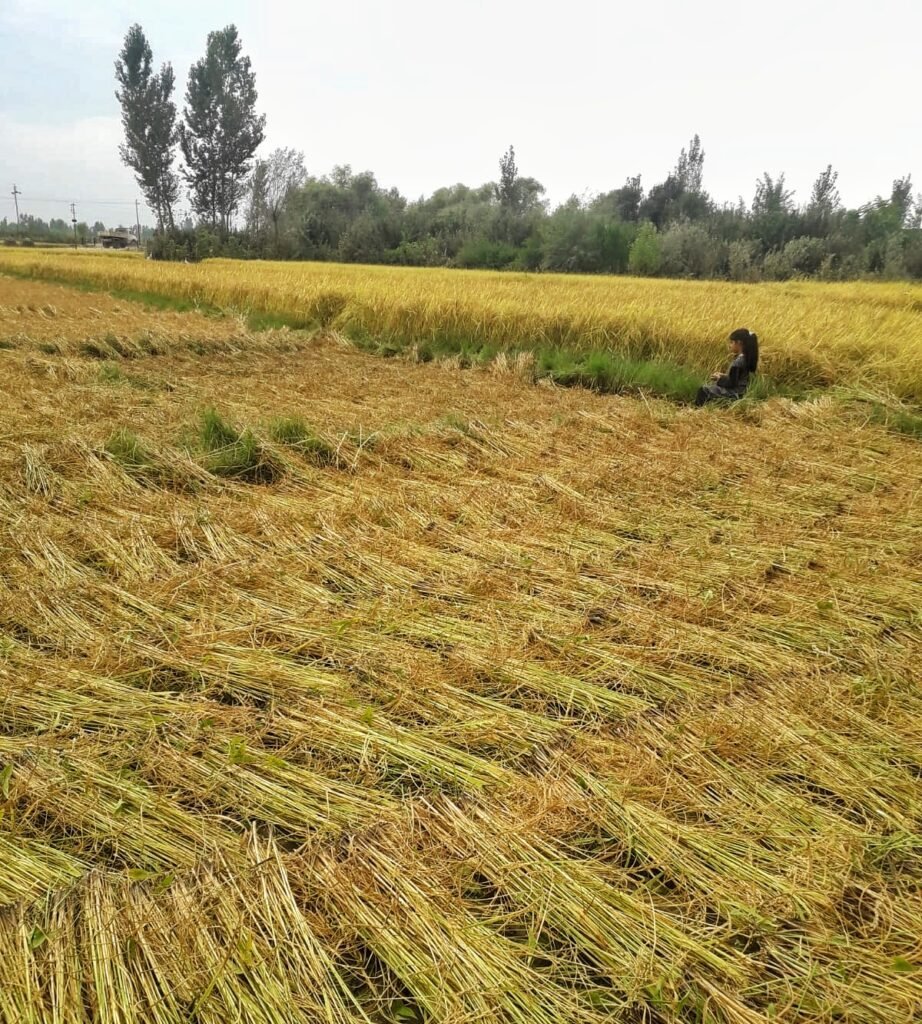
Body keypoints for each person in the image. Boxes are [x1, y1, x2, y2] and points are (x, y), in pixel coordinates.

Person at [695, 328, 759, 406]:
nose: (730, 345)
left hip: (734, 393)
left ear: (739, 343)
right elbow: (737, 378)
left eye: (731, 342)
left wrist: (719, 378)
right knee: (712, 386)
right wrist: (723, 376)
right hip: (741, 391)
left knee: (704, 390)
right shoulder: (746, 359)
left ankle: (697, 409)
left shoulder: (738, 362)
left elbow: (731, 383)